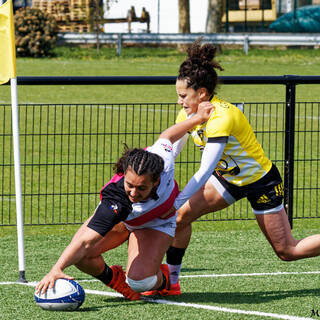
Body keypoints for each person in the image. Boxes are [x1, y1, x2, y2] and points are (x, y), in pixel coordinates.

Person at [161, 38, 320, 296]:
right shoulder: (187, 114)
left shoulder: (223, 116)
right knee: (180, 219)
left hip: (261, 182)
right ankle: (173, 283)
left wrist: (175, 201)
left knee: (287, 252)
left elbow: (204, 171)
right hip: (228, 180)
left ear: (202, 93)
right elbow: (171, 153)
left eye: (183, 96)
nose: (179, 101)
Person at [35, 102, 212, 301]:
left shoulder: (163, 160)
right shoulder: (116, 199)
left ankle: (162, 279)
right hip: (122, 219)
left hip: (157, 223)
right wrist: (56, 269)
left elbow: (168, 136)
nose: (133, 193)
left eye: (141, 187)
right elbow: (85, 242)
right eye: (129, 185)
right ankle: (116, 280)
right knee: (81, 255)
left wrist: (198, 119)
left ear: (157, 180)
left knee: (141, 282)